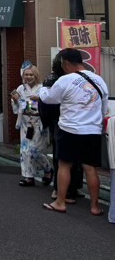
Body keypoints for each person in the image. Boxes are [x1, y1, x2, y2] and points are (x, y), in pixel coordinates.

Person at [39, 48, 108, 215]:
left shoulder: (66, 80)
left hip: (70, 129)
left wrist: (41, 90)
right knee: (90, 168)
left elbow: (49, 98)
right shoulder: (99, 80)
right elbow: (104, 107)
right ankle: (95, 207)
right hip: (92, 129)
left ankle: (60, 202)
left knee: (64, 165)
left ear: (66, 63)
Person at [38, 55, 84, 201]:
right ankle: (60, 189)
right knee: (62, 158)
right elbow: (46, 103)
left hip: (69, 123)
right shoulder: (53, 80)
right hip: (61, 123)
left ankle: (73, 188)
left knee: (72, 158)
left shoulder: (70, 79)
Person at [10, 65, 52, 187]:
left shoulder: (43, 89)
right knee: (25, 151)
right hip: (25, 123)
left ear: (36, 75)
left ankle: (48, 169)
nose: (28, 77)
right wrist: (16, 100)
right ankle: (29, 177)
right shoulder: (20, 88)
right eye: (26, 74)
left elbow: (48, 104)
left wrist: (39, 100)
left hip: (38, 122)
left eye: (31, 74)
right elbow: (16, 106)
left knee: (35, 150)